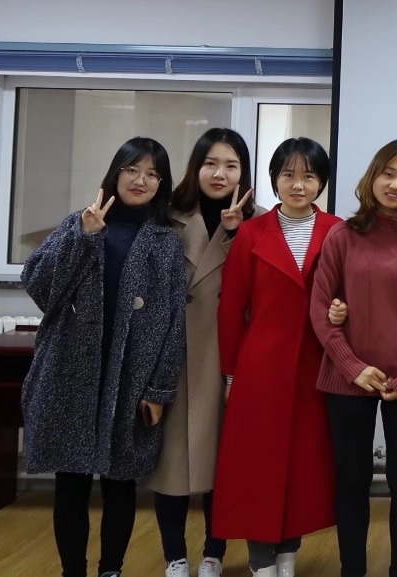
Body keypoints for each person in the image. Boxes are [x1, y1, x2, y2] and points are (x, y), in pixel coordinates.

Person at [21, 137, 186, 577]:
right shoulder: (81, 222)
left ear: (162, 184)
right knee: (70, 482)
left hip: (130, 376)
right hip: (72, 373)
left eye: (152, 174)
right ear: (116, 173)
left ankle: (111, 569)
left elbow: (175, 322)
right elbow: (39, 286)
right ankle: (72, 571)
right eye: (133, 169)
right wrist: (82, 237)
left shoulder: (166, 242)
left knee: (120, 482)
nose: (140, 180)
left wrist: (159, 389)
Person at [310, 139, 397, 577]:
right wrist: (353, 367)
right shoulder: (342, 236)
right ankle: (353, 569)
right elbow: (321, 308)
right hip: (346, 379)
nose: (396, 184)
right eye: (389, 173)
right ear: (373, 176)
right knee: (352, 480)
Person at [213, 138, 340, 577]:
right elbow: (231, 310)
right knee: (258, 465)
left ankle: (287, 556)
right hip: (260, 369)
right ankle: (261, 560)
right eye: (288, 175)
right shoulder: (251, 233)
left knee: (303, 467)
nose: (298, 185)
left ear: (322, 182)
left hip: (316, 367)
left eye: (309, 176)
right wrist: (230, 375)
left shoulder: (338, 231)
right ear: (274, 179)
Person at [148, 128, 263, 577]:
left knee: (222, 463)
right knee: (172, 465)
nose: (220, 174)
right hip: (175, 357)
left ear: (244, 173)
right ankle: (175, 556)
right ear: (196, 167)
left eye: (231, 165)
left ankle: (214, 553)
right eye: (211, 163)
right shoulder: (167, 217)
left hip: (231, 358)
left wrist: (236, 235)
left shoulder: (258, 224)